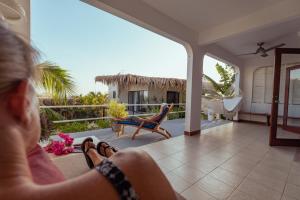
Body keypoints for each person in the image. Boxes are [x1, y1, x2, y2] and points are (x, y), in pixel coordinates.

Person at [0, 23, 177, 200]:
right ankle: (102, 155)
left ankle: (94, 154)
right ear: (20, 103)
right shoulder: (137, 169)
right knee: (123, 158)